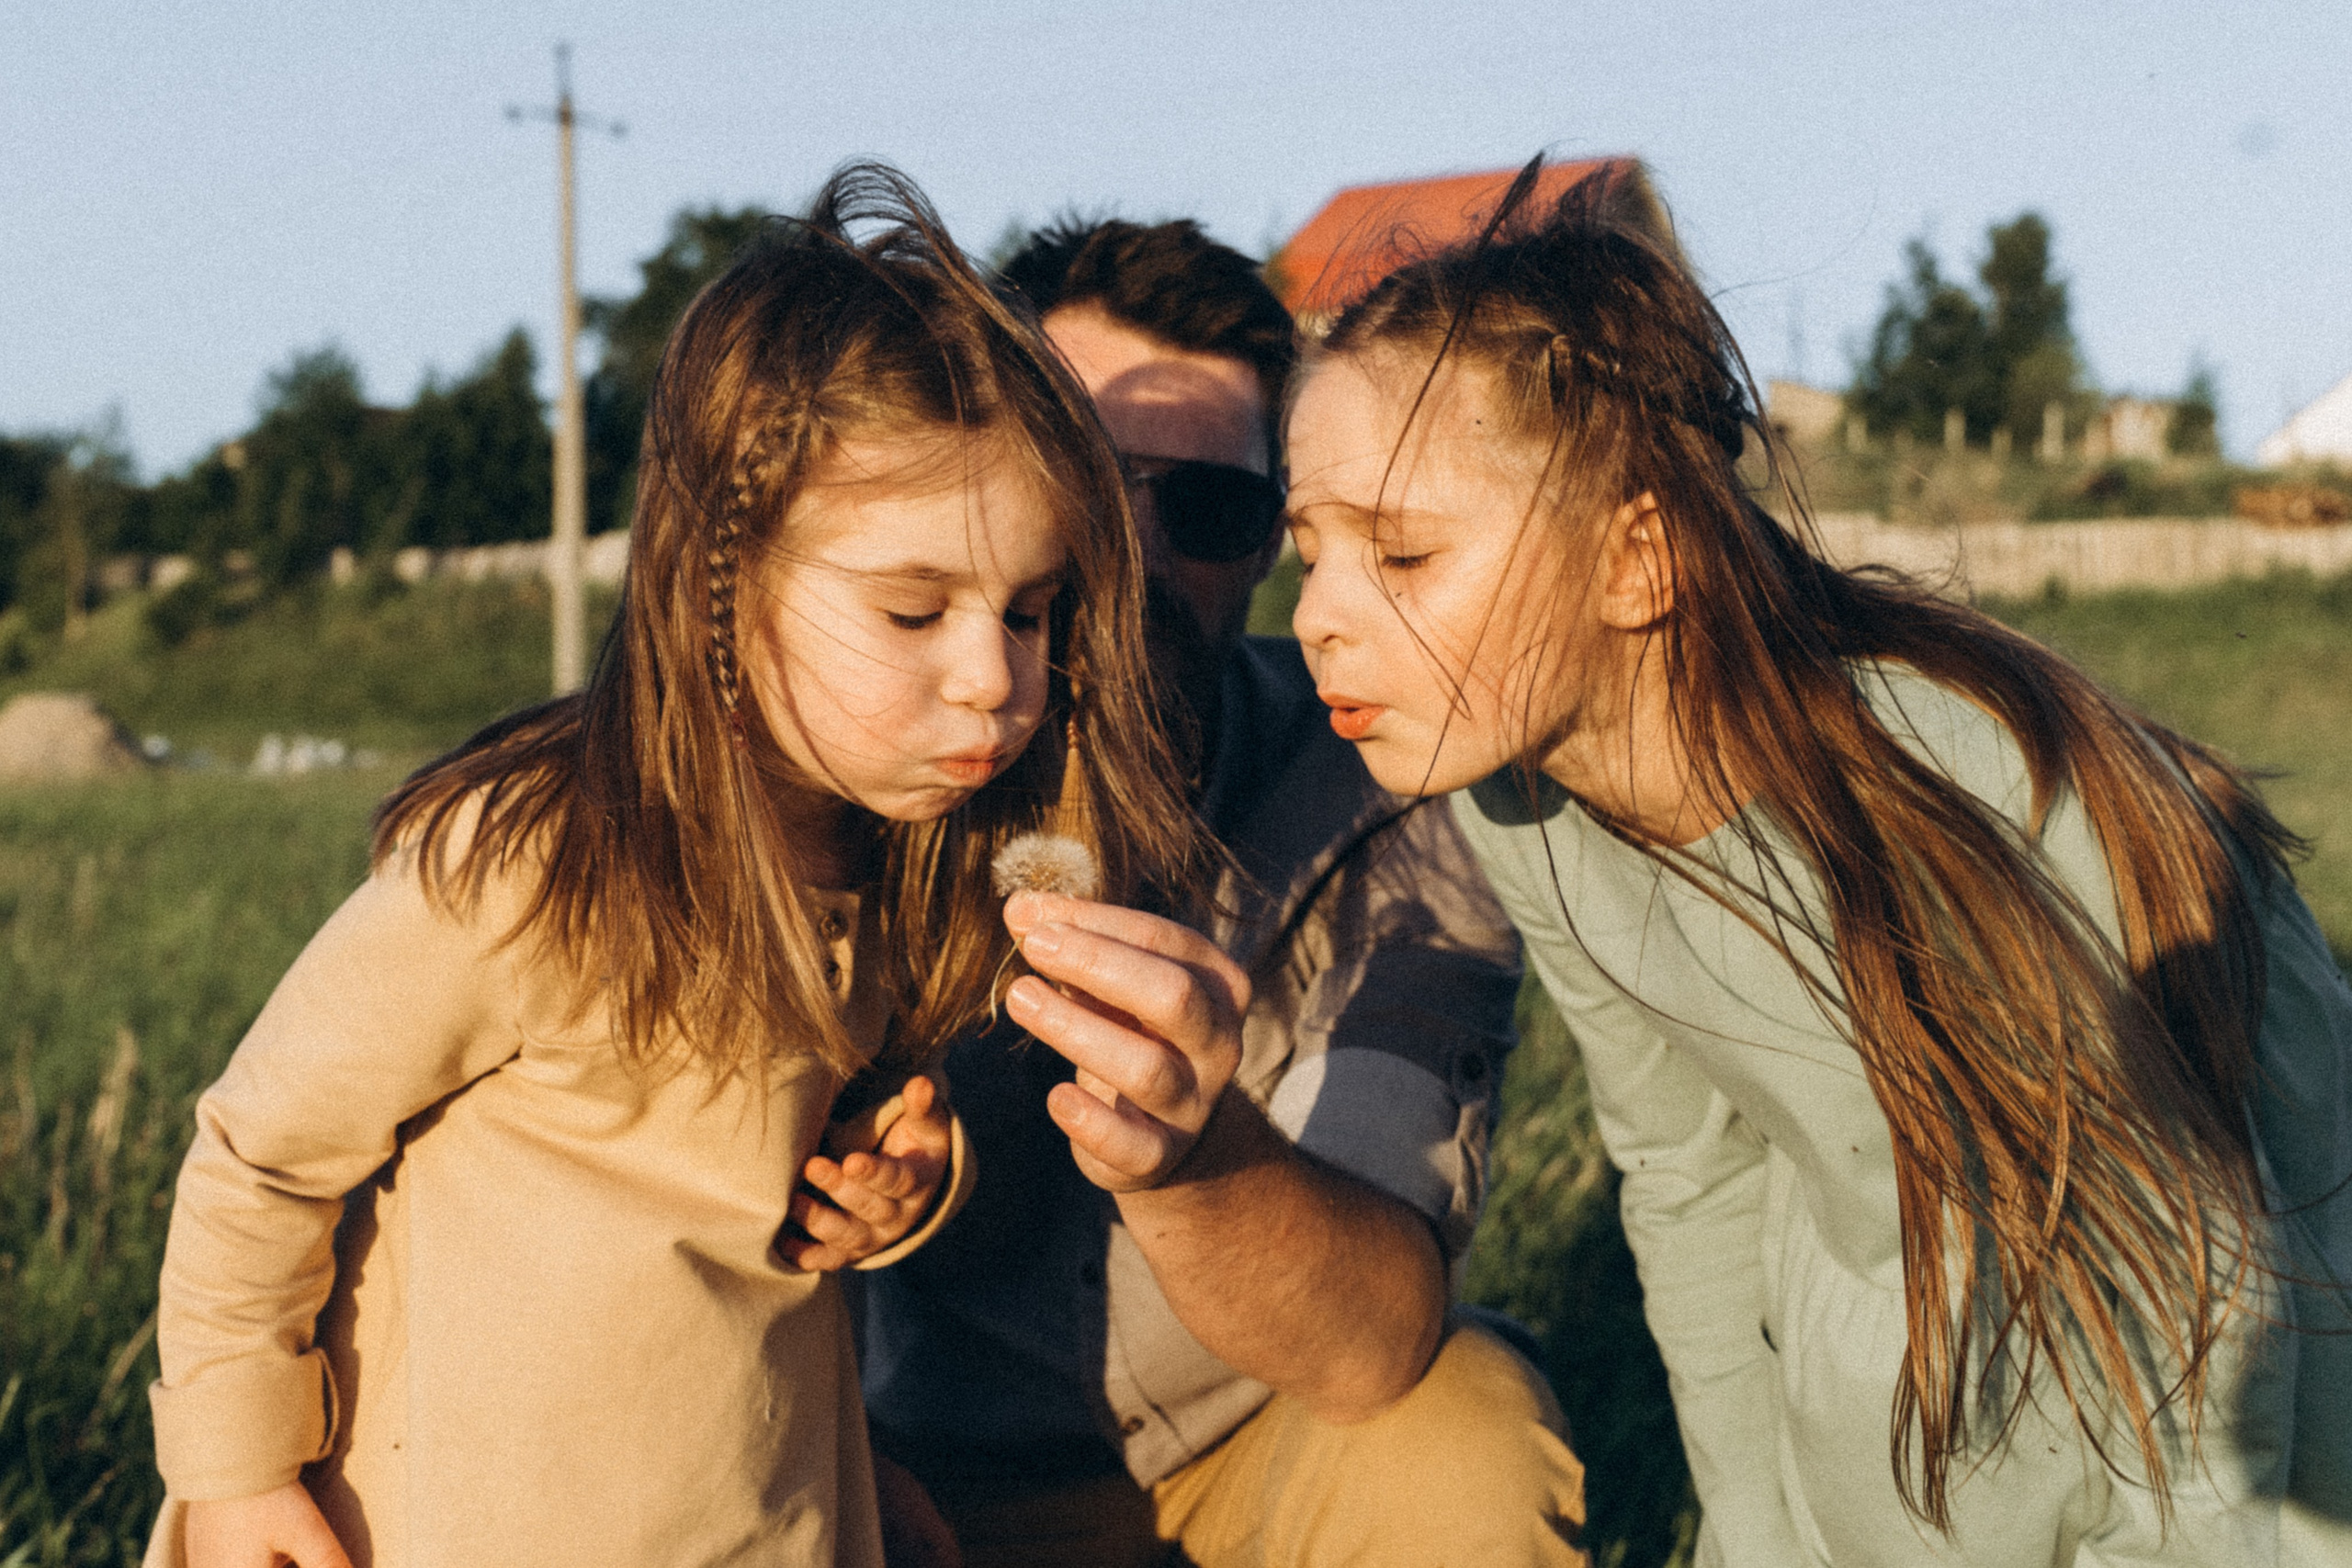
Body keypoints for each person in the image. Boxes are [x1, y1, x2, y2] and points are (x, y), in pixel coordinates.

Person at [1283, 157, 2352, 1565]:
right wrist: (1752, 1529)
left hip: (2249, 1377)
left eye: (1404, 558)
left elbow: (2197, 1297)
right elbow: (1687, 1171)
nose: (1316, 618)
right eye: (1305, 550)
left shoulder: (1965, 806)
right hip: (1907, 1332)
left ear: (1636, 565)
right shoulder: (1519, 799)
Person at [141, 164, 1210, 1568]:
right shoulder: (534, 859)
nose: (992, 678)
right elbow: (260, 1158)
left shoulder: (901, 863)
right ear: (723, 570)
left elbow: (784, 1211)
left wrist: (900, 1182)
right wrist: (232, 1475)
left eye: (1030, 611)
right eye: (911, 608)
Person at [857, 218, 1588, 1568]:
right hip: (895, 1470)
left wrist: (1192, 1158)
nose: (1132, 554)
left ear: (1268, 547)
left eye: (1205, 509)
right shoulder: (861, 769)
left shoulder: (1390, 804)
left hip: (1243, 1458)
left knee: (1463, 1433)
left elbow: (1373, 1341)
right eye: (1082, 479)